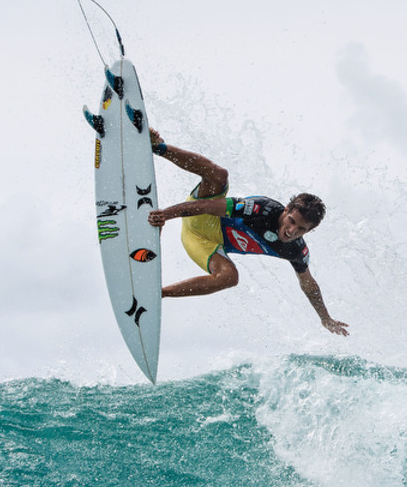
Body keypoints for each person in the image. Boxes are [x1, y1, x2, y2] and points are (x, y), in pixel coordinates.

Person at [146, 130, 349, 336]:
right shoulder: (261, 208)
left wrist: (325, 318)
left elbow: (309, 284)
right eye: (291, 221)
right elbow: (207, 206)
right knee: (220, 175)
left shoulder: (295, 250)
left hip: (203, 243)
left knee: (230, 277)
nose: (291, 231)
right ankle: (158, 147)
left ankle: (158, 293)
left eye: (301, 229)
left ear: (310, 231)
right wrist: (165, 215)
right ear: (286, 210)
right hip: (202, 215)